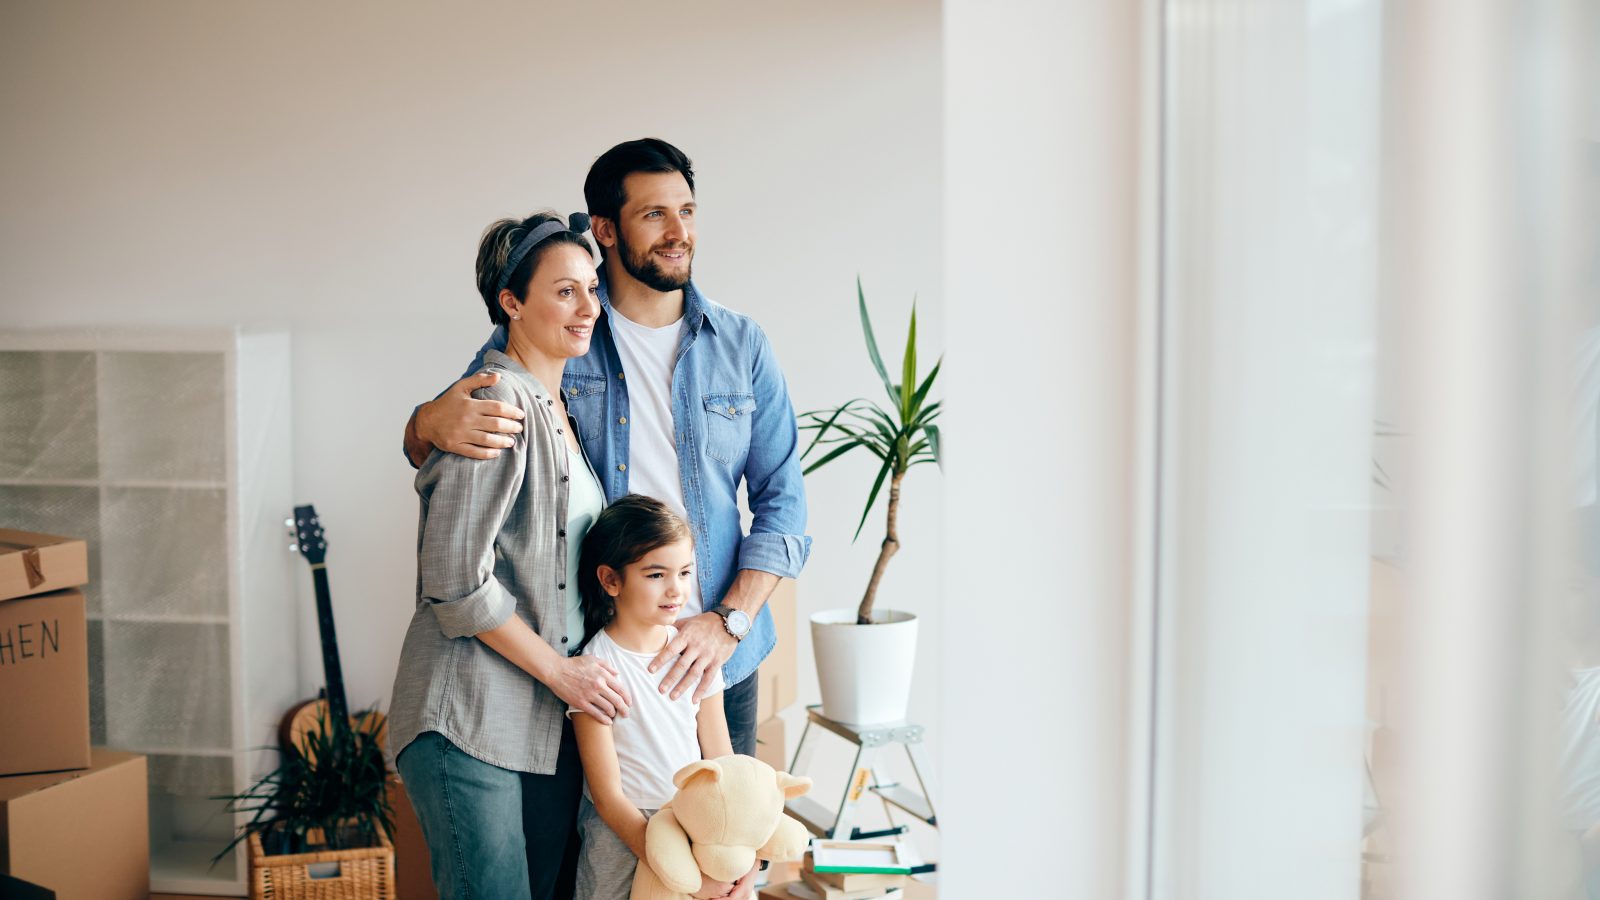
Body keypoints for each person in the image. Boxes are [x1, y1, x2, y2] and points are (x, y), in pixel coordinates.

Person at [403, 139, 811, 756]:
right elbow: (441, 435)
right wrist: (427, 419)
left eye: (688, 211)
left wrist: (728, 623)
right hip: (600, 660)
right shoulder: (562, 332)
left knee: (727, 839)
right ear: (605, 229)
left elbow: (785, 506)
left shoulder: (742, 344)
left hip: (718, 656)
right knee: (609, 847)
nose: (679, 232)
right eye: (654, 214)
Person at [388, 210, 631, 900]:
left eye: (591, 288)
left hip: (536, 721)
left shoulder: (559, 410)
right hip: (466, 715)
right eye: (564, 291)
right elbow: (456, 581)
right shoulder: (496, 405)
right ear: (511, 303)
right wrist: (564, 673)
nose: (588, 307)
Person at [569, 494, 757, 900]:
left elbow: (723, 762)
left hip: (696, 823)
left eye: (685, 572)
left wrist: (740, 860)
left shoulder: (697, 657)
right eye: (656, 575)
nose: (676, 590)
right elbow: (607, 796)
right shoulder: (594, 669)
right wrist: (675, 869)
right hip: (622, 835)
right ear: (611, 580)